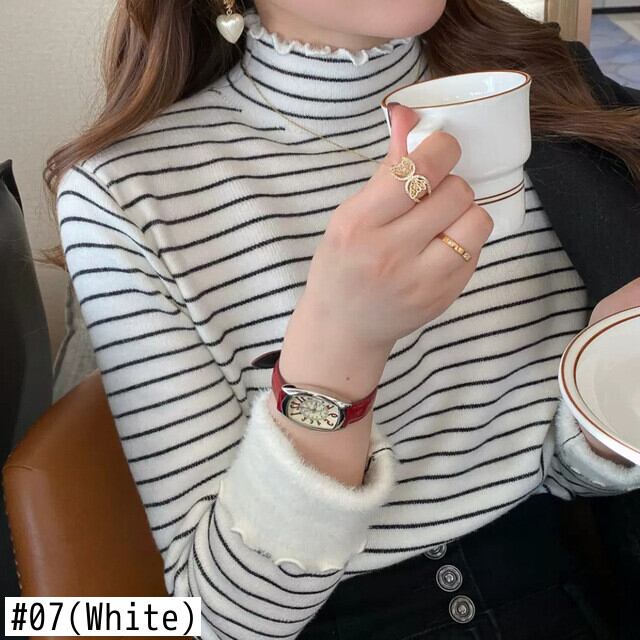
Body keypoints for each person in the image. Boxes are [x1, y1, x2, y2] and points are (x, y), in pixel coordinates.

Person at [44, 0, 640, 638]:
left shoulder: (544, 92)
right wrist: (340, 349)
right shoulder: (125, 192)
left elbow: (559, 469)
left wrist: (610, 405)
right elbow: (219, 623)